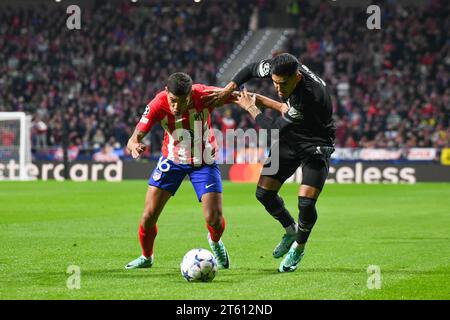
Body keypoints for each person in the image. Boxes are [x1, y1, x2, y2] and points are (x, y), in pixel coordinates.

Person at [203, 53, 335, 272]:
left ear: (298, 77)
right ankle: (291, 230)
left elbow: (273, 129)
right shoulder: (280, 66)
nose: (279, 89)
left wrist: (252, 106)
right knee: (264, 194)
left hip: (315, 144)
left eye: (283, 84)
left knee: (306, 202)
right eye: (274, 83)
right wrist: (229, 88)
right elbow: (250, 68)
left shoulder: (309, 97)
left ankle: (299, 248)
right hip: (290, 140)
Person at [125, 72, 231, 270]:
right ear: (166, 92)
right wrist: (134, 146)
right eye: (173, 101)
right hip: (172, 160)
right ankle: (146, 257)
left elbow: (240, 96)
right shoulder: (157, 104)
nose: (176, 107)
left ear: (191, 94)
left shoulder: (204, 94)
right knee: (148, 216)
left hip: (203, 161)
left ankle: (216, 242)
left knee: (214, 219)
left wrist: (275, 107)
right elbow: (133, 139)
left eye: (182, 101)